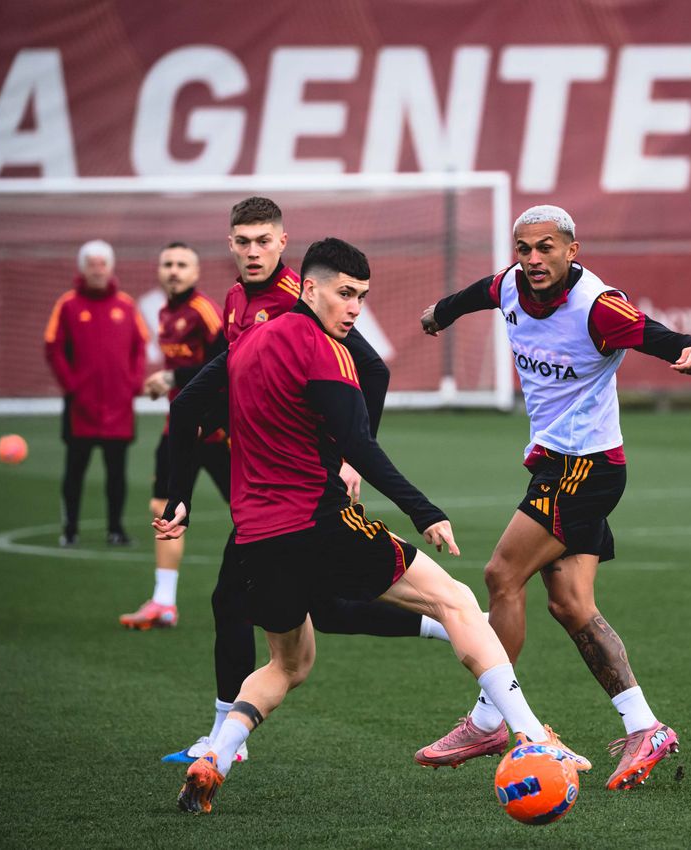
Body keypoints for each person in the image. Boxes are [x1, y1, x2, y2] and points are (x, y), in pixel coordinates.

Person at [156, 237, 587, 814]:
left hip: (255, 541)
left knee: (289, 664)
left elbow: (184, 407)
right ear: (309, 288)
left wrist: (180, 495)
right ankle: (534, 736)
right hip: (321, 522)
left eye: (361, 296)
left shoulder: (247, 342)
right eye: (344, 294)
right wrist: (423, 509)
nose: (354, 307)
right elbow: (359, 443)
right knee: (456, 600)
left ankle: (216, 755)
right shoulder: (327, 352)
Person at [416, 204, 691, 790]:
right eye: (523, 249)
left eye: (545, 248)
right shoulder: (510, 284)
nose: (532, 260)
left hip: (586, 468)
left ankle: (488, 720)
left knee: (502, 574)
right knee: (571, 605)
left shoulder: (599, 309)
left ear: (572, 250)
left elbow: (664, 336)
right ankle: (645, 725)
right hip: (557, 465)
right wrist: (439, 313)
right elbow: (482, 290)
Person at [161, 197, 464, 766]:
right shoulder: (234, 300)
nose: (253, 251)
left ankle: (224, 740)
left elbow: (372, 370)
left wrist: (348, 458)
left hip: (298, 488)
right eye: (243, 241)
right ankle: (448, 624)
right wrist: (178, 493)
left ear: (283, 244)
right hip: (260, 476)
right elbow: (195, 399)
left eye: (263, 241)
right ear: (230, 243)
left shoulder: (309, 300)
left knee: (237, 601)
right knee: (310, 609)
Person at [119, 242, 227, 629]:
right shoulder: (166, 312)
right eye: (168, 263)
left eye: (183, 264)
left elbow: (226, 359)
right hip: (176, 430)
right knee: (163, 511)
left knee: (253, 512)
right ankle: (164, 602)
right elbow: (184, 365)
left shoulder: (204, 310)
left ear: (196, 272)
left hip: (216, 431)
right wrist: (164, 383)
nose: (174, 270)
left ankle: (300, 589)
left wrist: (173, 377)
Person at [44, 239, 149, 547]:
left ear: (111, 268)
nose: (98, 270)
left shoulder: (126, 305)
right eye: (92, 264)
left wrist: (133, 383)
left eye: (103, 264)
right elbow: (53, 347)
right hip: (81, 408)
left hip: (119, 408)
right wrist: (72, 385)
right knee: (74, 472)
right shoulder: (67, 304)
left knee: (116, 474)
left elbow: (140, 345)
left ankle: (115, 529)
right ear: (82, 268)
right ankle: (70, 530)